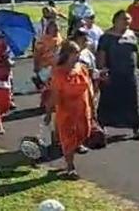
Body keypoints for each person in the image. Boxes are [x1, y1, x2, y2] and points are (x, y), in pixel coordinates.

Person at [45, 41, 94, 179]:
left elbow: (89, 89)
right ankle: (70, 166)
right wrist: (49, 113)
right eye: (75, 53)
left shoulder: (82, 68)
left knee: (85, 132)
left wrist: (92, 107)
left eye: (78, 53)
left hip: (83, 108)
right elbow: (54, 95)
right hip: (66, 111)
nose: (78, 56)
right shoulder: (59, 73)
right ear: (67, 55)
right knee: (68, 138)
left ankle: (73, 146)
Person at [97, 10, 139, 140]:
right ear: (115, 21)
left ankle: (136, 129)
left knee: (131, 103)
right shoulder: (106, 37)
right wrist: (103, 72)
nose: (127, 22)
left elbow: (136, 53)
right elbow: (101, 56)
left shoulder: (131, 35)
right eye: (124, 19)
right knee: (108, 101)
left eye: (128, 19)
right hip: (112, 75)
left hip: (128, 76)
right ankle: (101, 127)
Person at [33, 20, 63, 92]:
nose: (56, 29)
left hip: (57, 65)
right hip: (46, 65)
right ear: (48, 29)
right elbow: (37, 54)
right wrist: (36, 66)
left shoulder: (60, 38)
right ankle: (40, 80)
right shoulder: (42, 40)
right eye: (54, 28)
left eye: (57, 28)